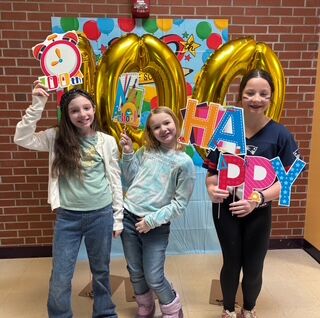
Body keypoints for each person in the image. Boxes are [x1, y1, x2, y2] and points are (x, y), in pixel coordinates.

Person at [14, 81, 123, 318]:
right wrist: (37, 104)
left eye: (86, 108)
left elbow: (114, 179)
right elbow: (21, 138)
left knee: (101, 271)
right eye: (74, 110)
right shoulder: (56, 137)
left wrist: (118, 218)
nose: (82, 114)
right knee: (61, 274)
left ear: (93, 109)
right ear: (66, 114)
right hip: (68, 218)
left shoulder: (107, 141)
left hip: (101, 215)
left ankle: (105, 312)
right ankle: (60, 315)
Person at [204, 69, 300, 318]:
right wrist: (212, 188)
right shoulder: (227, 129)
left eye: (263, 94)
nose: (256, 98)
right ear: (241, 96)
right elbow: (213, 172)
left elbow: (286, 181)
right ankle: (227, 309)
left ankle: (248, 310)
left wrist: (257, 199)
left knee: (254, 266)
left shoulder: (280, 135)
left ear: (271, 98)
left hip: (258, 212)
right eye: (250, 93)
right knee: (232, 262)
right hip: (226, 210)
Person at [119, 106, 196, 318]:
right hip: (128, 218)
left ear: (175, 124)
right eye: (156, 127)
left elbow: (179, 204)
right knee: (135, 271)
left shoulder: (184, 162)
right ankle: (145, 306)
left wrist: (151, 220)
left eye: (166, 123)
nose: (163, 129)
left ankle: (172, 308)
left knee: (153, 275)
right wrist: (127, 152)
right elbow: (129, 179)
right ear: (150, 132)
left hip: (155, 225)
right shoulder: (145, 152)